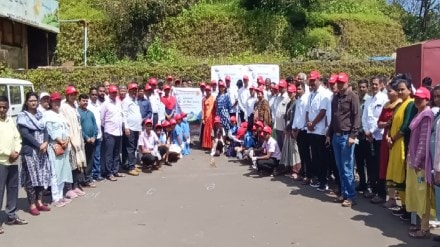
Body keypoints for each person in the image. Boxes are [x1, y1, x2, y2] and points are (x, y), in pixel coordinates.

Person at [326, 72, 360, 207]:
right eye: (338, 83)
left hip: (347, 137)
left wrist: (353, 136)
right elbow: (334, 118)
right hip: (336, 135)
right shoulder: (336, 97)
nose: (340, 85)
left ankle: (351, 196)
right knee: (340, 168)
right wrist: (329, 134)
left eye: (342, 82)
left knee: (347, 167)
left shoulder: (353, 97)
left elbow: (356, 117)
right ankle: (344, 193)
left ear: (347, 82)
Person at [386, 76, 417, 220]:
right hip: (394, 145)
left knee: (403, 178)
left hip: (402, 145)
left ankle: (408, 209)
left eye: (403, 89)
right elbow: (392, 123)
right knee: (398, 177)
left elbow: (405, 127)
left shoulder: (410, 104)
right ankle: (403, 205)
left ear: (410, 90)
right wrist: (388, 136)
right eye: (398, 90)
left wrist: (393, 138)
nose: (400, 92)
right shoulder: (400, 104)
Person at [405, 87, 434, 238]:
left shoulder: (426, 115)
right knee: (417, 193)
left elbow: (424, 141)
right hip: (414, 161)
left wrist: (417, 162)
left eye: (420, 98)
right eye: (416, 97)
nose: (417, 100)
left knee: (423, 195)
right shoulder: (419, 113)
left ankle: (424, 228)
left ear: (427, 100)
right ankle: (420, 225)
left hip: (421, 165)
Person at [17, 92, 51, 216]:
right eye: (31, 100)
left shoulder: (40, 115)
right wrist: (39, 145)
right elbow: (25, 134)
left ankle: (40, 202)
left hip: (42, 152)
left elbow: (46, 130)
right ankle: (31, 204)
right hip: (31, 152)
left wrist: (46, 142)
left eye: (35, 100)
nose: (34, 102)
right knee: (31, 179)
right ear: (26, 102)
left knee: (41, 176)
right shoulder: (22, 117)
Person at [0, 95, 27, 234]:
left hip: (13, 160)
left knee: (12, 189)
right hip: (1, 162)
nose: (2, 109)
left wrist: (16, 151)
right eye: (0, 106)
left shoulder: (10, 120)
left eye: (5, 106)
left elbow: (17, 137)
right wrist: (7, 153)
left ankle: (11, 216)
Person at [361, 77, 388, 201]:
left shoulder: (384, 99)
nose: (374, 86)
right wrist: (367, 131)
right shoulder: (368, 100)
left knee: (379, 165)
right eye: (372, 84)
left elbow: (382, 119)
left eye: (376, 84)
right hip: (368, 137)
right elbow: (365, 117)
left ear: (381, 85)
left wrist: (371, 131)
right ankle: (373, 188)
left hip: (379, 137)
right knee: (370, 165)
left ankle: (381, 193)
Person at [376, 82, 402, 207]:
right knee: (385, 167)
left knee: (396, 168)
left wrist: (386, 125)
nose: (388, 93)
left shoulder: (401, 105)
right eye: (388, 91)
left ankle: (397, 198)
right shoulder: (387, 105)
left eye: (390, 91)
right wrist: (385, 124)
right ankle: (390, 196)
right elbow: (379, 122)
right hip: (385, 138)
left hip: (395, 140)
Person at [45, 92, 73, 207]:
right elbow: (50, 130)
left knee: (63, 171)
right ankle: (55, 198)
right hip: (54, 146)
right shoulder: (48, 115)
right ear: (51, 102)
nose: (56, 103)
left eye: (58, 101)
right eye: (54, 101)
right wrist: (60, 141)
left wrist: (66, 140)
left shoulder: (60, 115)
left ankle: (61, 196)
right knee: (55, 173)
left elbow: (66, 129)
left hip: (64, 146)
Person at [60, 86, 87, 198]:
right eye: (71, 94)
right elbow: (65, 124)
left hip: (78, 137)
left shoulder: (75, 106)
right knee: (70, 164)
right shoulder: (64, 107)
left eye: (75, 94)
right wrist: (69, 138)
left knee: (78, 164)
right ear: (67, 95)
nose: (73, 96)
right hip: (70, 138)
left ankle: (76, 185)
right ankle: (68, 188)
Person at [306, 70, 331, 191]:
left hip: (320, 131)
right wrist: (308, 123)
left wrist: (313, 123)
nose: (311, 83)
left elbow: (323, 111)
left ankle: (324, 181)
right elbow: (307, 111)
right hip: (311, 130)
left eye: (313, 81)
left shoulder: (325, 93)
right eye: (310, 81)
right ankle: (317, 178)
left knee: (322, 158)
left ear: (319, 80)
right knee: (315, 156)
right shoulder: (311, 94)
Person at [101, 85, 125, 181]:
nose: (114, 94)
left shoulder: (118, 103)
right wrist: (107, 127)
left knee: (116, 153)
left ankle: (115, 170)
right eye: (112, 92)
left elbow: (121, 116)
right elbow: (102, 119)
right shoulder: (105, 104)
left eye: (115, 92)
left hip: (118, 132)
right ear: (109, 93)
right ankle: (109, 172)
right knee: (109, 154)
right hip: (110, 132)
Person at [354, 79, 372, 194]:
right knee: (359, 161)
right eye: (360, 87)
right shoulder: (356, 99)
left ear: (367, 87)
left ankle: (369, 185)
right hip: (357, 135)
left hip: (366, 134)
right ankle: (362, 183)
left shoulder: (369, 100)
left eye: (364, 87)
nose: (361, 89)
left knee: (368, 162)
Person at [121, 82, 142, 176]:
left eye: (135, 90)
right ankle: (130, 167)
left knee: (133, 147)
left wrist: (140, 127)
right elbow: (124, 115)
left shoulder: (135, 100)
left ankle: (130, 164)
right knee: (130, 147)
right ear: (129, 91)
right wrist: (126, 127)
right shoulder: (126, 101)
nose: (134, 92)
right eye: (132, 90)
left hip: (136, 127)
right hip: (130, 128)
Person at [280, 85, 301, 176]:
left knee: (295, 151)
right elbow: (286, 117)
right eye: (288, 92)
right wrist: (286, 127)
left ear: (294, 92)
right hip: (288, 129)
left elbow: (294, 118)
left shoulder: (296, 103)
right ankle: (289, 168)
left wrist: (288, 128)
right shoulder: (289, 103)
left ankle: (297, 170)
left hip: (293, 129)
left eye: (291, 92)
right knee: (288, 150)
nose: (289, 94)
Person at [292, 81, 311, 182]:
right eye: (297, 89)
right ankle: (302, 172)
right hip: (297, 130)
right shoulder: (298, 100)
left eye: (299, 89)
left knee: (306, 154)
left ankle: (308, 175)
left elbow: (304, 117)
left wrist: (298, 129)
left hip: (303, 131)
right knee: (301, 154)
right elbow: (296, 116)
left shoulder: (305, 100)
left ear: (304, 89)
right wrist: (294, 127)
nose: (298, 91)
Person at [78, 94, 98, 187]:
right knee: (82, 161)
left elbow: (95, 126)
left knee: (90, 160)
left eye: (86, 101)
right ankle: (82, 180)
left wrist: (94, 136)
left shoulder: (90, 113)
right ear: (79, 101)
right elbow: (79, 128)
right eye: (83, 100)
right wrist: (86, 138)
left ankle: (88, 179)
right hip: (82, 141)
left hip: (92, 141)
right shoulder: (77, 113)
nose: (85, 102)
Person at [87, 87, 104, 181]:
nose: (94, 96)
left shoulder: (98, 105)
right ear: (90, 95)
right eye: (92, 94)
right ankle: (90, 175)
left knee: (97, 155)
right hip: (90, 136)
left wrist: (100, 134)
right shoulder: (87, 105)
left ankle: (97, 174)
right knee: (90, 156)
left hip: (99, 134)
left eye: (95, 95)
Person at [273, 80, 289, 150]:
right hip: (277, 125)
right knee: (279, 145)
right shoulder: (278, 97)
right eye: (279, 87)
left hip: (283, 126)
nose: (280, 88)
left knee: (284, 146)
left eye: (282, 87)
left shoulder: (288, 97)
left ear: (285, 87)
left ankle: (285, 160)